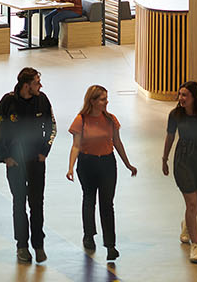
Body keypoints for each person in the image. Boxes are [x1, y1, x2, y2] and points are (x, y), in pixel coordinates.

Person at [0, 66, 56, 264]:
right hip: (15, 163)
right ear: (26, 85)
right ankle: (22, 246)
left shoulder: (42, 100)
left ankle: (38, 245)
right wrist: (4, 157)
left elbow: (52, 127)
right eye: (37, 82)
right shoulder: (8, 102)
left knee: (37, 204)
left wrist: (45, 151)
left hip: (36, 162)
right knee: (19, 203)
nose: (40, 85)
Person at [66, 83, 136, 261]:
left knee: (107, 204)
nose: (106, 102)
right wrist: (70, 167)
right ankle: (89, 235)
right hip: (87, 162)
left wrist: (128, 164)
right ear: (93, 101)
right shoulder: (81, 119)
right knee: (89, 199)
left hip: (107, 163)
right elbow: (75, 146)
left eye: (106, 98)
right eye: (103, 99)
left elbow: (118, 143)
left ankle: (111, 245)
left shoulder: (111, 119)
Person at [162, 81, 197, 264]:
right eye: (180, 94)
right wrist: (164, 159)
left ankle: (187, 224)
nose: (181, 98)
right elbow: (170, 137)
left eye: (185, 95)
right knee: (192, 204)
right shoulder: (175, 115)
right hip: (183, 160)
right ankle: (195, 246)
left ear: (194, 97)